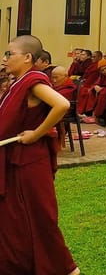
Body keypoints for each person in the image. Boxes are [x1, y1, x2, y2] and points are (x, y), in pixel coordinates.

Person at [0, 36, 79, 275]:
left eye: (9, 54)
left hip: (29, 161)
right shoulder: (18, 82)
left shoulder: (34, 82)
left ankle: (66, 269)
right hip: (16, 158)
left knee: (39, 217)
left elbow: (62, 105)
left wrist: (36, 134)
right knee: (14, 219)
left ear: (27, 58)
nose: (4, 59)